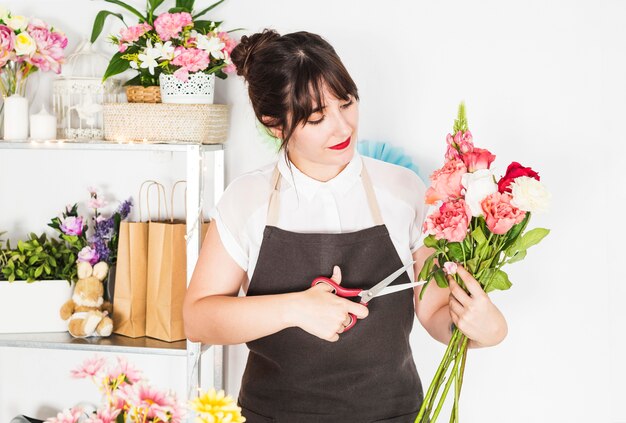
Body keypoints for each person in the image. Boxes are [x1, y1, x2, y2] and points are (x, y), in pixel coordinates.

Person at [183, 29, 508, 423]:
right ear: (275, 124)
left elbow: (434, 310)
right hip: (274, 415)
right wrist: (296, 308)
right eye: (317, 117)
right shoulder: (246, 198)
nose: (342, 127)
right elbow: (198, 319)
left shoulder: (404, 190)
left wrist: (483, 331)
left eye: (347, 102)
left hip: (391, 413)